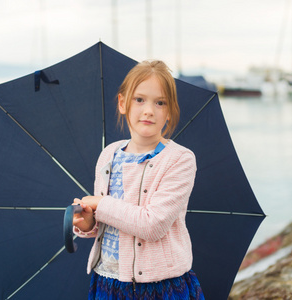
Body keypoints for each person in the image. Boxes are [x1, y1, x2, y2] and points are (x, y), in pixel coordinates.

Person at [73, 60, 205, 299]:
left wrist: (100, 205)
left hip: (158, 286)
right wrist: (89, 223)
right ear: (123, 103)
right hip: (107, 280)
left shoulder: (179, 160)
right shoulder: (108, 154)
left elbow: (151, 225)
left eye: (160, 102)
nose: (148, 110)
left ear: (169, 110)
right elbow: (108, 223)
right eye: (139, 99)